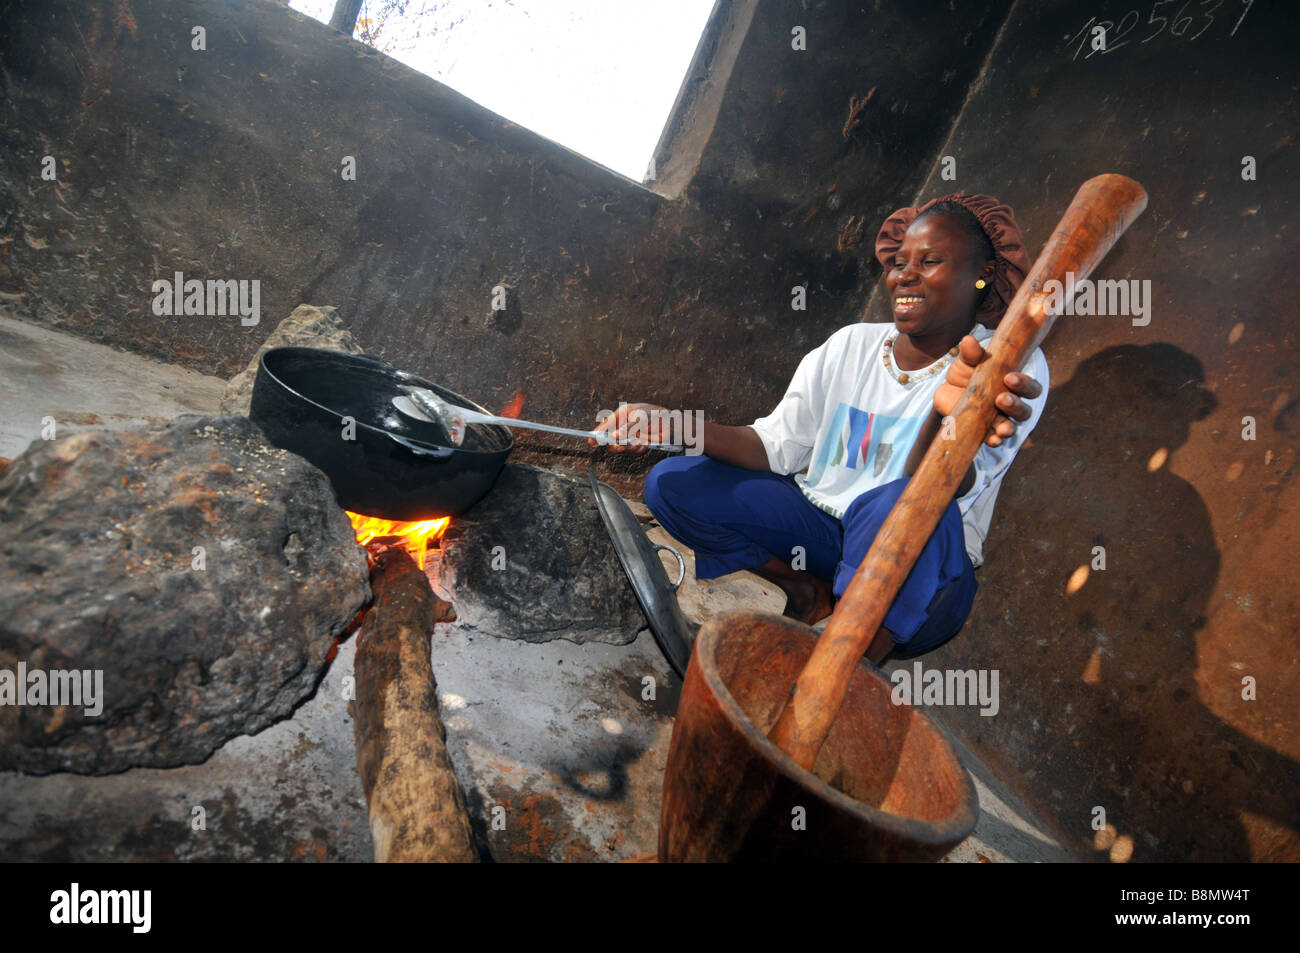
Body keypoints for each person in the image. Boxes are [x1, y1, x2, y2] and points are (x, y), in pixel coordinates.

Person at [593, 193, 1049, 664]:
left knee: (894, 502)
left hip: (924, 573)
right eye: (897, 262)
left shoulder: (1006, 362)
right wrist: (671, 423)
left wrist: (942, 420)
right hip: (826, 536)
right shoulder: (851, 346)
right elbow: (774, 445)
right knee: (672, 482)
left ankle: (844, 665)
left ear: (985, 273)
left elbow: (936, 487)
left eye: (929, 261)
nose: (904, 275)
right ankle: (809, 591)